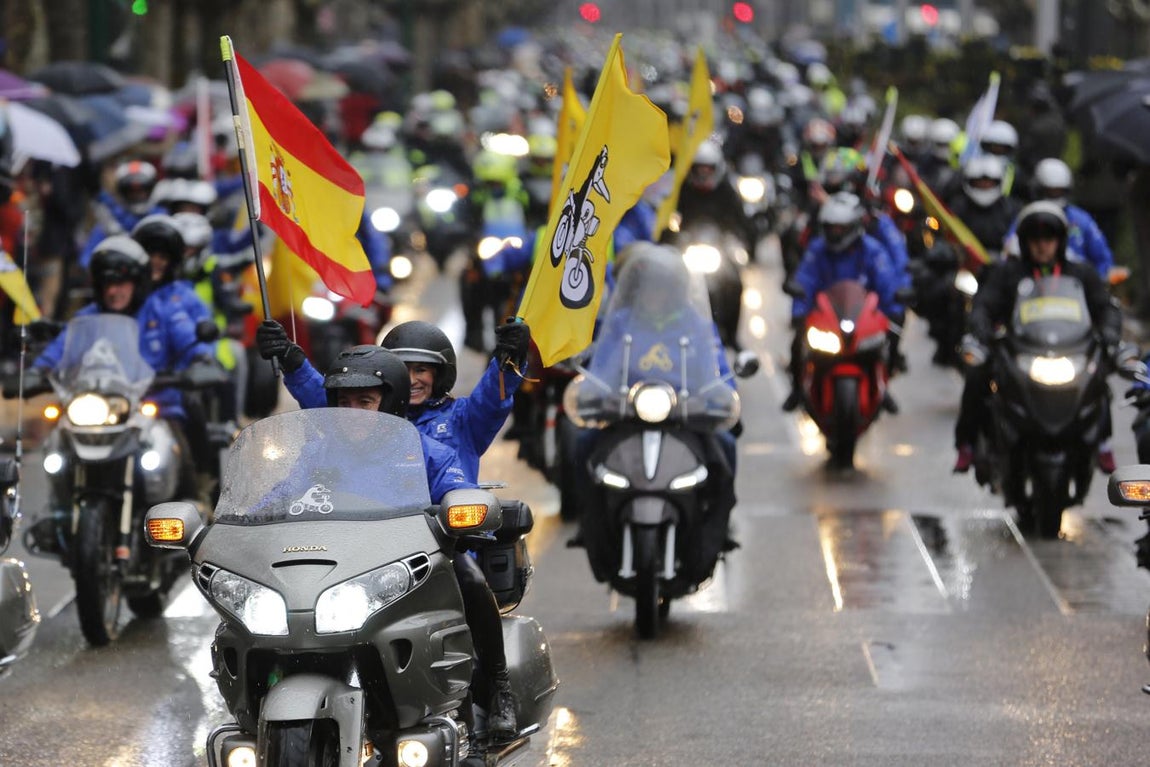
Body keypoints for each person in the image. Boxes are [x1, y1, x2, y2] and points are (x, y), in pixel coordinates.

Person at [257, 318, 531, 739]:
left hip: (431, 552)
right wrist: (293, 360)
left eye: (422, 369)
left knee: (471, 582)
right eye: (405, 369)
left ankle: (497, 687)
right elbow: (326, 407)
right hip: (348, 558)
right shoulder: (333, 438)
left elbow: (491, 405)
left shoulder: (447, 431)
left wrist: (508, 360)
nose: (414, 378)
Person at [32, 235, 215, 496]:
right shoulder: (87, 317)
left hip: (157, 407)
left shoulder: (162, 310)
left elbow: (191, 341)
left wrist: (201, 360)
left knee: (180, 452)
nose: (113, 291)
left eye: (121, 282)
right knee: (58, 448)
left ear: (138, 282)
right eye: (106, 283)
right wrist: (36, 371)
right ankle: (60, 515)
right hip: (97, 411)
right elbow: (58, 350)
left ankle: (195, 500)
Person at [952, 202, 1123, 473]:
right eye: (1035, 239)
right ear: (1024, 241)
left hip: (1069, 351)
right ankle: (967, 445)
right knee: (977, 375)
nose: (1042, 245)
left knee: (1099, 376)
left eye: (1049, 238)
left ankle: (1103, 443)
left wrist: (1110, 333)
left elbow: (1105, 307)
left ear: (1060, 241)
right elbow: (984, 306)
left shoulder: (1080, 274)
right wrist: (982, 332)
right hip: (1018, 350)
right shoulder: (1008, 273)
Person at [783, 192, 904, 413]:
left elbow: (886, 282)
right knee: (798, 341)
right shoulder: (817, 250)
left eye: (841, 228)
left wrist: (895, 307)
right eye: (831, 228)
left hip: (862, 317)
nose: (836, 234)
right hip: (827, 317)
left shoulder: (872, 251)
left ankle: (884, 387)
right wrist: (798, 311)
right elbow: (805, 280)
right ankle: (797, 388)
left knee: (891, 339)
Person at [79, 160, 165, 269]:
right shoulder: (108, 220)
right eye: (132, 191)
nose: (137, 195)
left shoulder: (162, 218)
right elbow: (87, 261)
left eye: (141, 191)